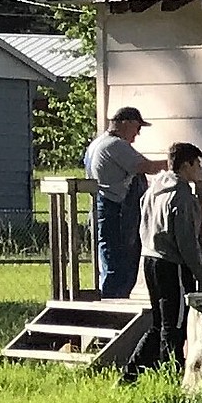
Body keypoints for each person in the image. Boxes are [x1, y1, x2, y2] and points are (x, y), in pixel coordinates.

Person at [122, 142, 202, 382]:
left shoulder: (154, 188)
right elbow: (187, 244)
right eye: (197, 164)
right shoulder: (181, 195)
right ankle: (174, 378)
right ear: (186, 164)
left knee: (158, 323)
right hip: (172, 265)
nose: (198, 170)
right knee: (174, 326)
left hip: (150, 259)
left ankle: (130, 375)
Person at [84, 107, 167, 298]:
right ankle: (113, 307)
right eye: (137, 127)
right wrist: (175, 162)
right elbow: (147, 167)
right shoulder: (115, 145)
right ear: (125, 123)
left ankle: (110, 301)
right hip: (116, 210)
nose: (137, 134)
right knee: (120, 263)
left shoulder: (97, 143)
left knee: (111, 260)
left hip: (103, 207)